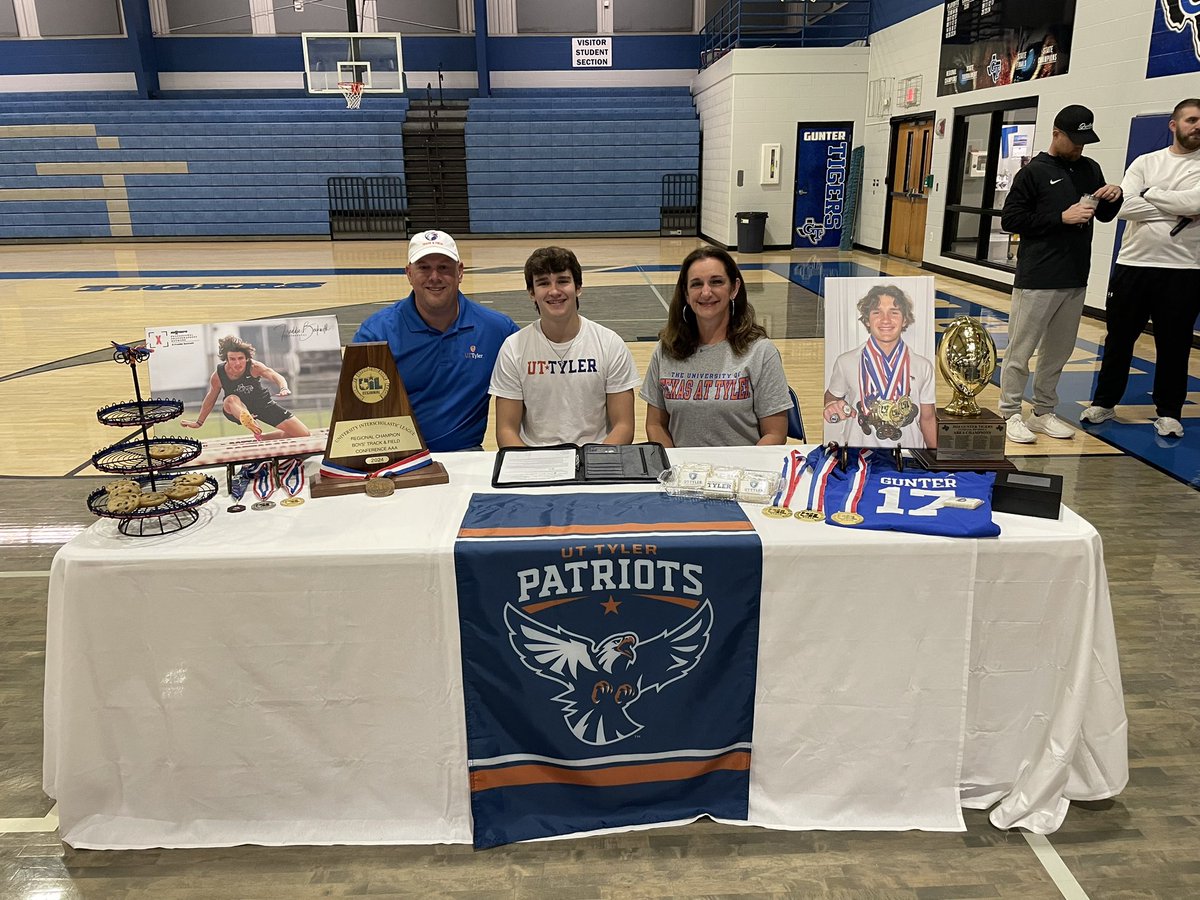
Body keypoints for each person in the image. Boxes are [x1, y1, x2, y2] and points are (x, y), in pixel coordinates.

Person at [999, 104, 1123, 444]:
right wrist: (1059, 217)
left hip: (1074, 277)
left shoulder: (1090, 168)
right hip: (1038, 277)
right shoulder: (1034, 172)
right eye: (1075, 140)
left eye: (1085, 141)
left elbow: (1104, 216)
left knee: (1058, 352)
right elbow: (1010, 220)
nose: (1080, 147)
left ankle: (1042, 412)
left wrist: (1113, 197)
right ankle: (1009, 412)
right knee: (1020, 352)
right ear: (1056, 134)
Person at [1081, 98, 1200, 438]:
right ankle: (1104, 403)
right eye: (1191, 119)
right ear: (1173, 125)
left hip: (1185, 269)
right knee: (1119, 339)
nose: (1197, 126)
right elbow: (1124, 205)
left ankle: (1169, 412)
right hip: (1134, 265)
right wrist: (1174, 206)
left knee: (1174, 344)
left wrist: (1150, 196)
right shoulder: (1146, 161)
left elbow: (1196, 202)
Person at [352, 230, 518, 451]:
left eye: (443, 267)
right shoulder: (375, 334)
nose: (434, 277)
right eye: (423, 267)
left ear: (460, 271)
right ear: (409, 273)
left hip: (467, 455)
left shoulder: (498, 330)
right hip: (397, 458)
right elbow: (358, 411)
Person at [489, 247, 639, 447]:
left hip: (596, 460)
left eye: (563, 281)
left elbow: (624, 426)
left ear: (578, 287)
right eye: (543, 283)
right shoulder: (513, 348)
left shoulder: (610, 344)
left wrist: (594, 465)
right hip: (535, 461)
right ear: (532, 293)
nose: (554, 291)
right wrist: (530, 468)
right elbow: (506, 430)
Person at [641, 247, 790, 447]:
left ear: (734, 288)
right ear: (686, 293)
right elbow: (655, 425)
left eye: (716, 282)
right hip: (684, 474)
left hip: (742, 474)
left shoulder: (761, 352)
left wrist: (741, 476)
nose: (706, 292)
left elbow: (775, 434)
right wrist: (674, 468)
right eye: (696, 284)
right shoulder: (666, 350)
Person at [823, 284, 937, 449]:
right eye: (877, 312)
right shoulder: (845, 362)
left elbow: (927, 418)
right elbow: (831, 397)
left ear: (904, 319)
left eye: (894, 312)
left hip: (908, 456)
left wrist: (937, 462)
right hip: (859, 457)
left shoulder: (923, 366)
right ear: (867, 320)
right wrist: (830, 405)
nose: (886, 319)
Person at [181, 335, 311, 441]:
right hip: (234, 409)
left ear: (247, 358)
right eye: (232, 359)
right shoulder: (218, 375)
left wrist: (284, 387)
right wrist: (199, 422)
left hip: (262, 405)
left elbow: (273, 375)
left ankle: (262, 438)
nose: (237, 363)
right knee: (231, 399)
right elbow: (210, 399)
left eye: (240, 358)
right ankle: (247, 418)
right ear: (226, 359)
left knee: (303, 434)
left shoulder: (254, 367)